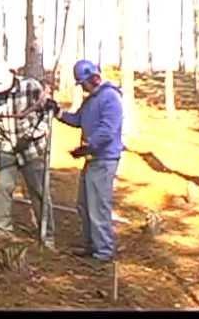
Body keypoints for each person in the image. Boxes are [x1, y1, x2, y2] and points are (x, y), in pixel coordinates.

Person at [51, 59, 123, 262]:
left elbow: (108, 130)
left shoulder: (110, 98)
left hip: (104, 159)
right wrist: (57, 112)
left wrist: (88, 146)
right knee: (84, 204)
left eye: (83, 83)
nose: (82, 87)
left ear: (94, 78)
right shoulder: (91, 99)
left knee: (98, 206)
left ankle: (103, 252)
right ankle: (91, 244)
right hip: (92, 158)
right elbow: (77, 120)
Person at [0, 62, 55, 249]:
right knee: (2, 188)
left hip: (32, 149)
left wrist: (30, 135)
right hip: (6, 147)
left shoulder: (31, 87)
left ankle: (46, 236)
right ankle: (3, 231)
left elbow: (46, 116)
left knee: (39, 191)